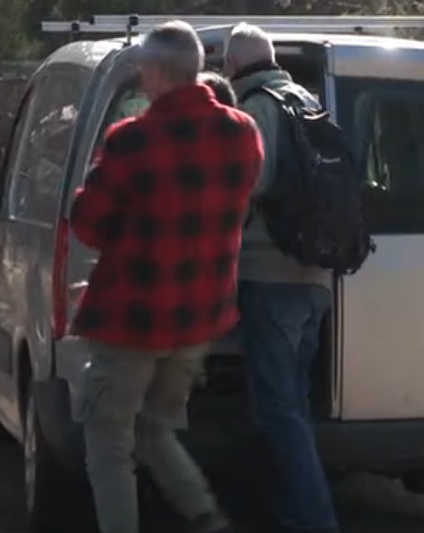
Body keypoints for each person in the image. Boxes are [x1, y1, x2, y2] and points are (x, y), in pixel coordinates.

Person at [69, 20, 264, 533]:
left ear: (156, 72)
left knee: (108, 439)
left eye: (141, 68)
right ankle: (205, 516)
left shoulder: (132, 141)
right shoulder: (243, 134)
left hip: (132, 320)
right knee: (156, 429)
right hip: (197, 319)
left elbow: (88, 225)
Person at [223, 22, 339, 533]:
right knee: (295, 401)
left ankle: (310, 517)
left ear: (230, 68)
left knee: (277, 407)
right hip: (315, 274)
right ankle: (294, 502)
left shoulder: (256, 112)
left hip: (269, 275)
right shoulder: (309, 102)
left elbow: (247, 187)